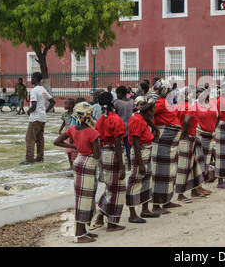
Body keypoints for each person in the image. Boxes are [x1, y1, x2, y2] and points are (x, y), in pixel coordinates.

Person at [53, 102, 101, 243]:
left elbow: (57, 141)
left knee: (81, 197)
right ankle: (79, 234)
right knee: (86, 199)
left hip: (78, 161)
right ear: (89, 115)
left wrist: (73, 146)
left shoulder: (73, 129)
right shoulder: (93, 132)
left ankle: (84, 231)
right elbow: (97, 154)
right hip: (88, 163)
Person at [93, 91, 127, 232]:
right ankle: (112, 223)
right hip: (114, 154)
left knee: (109, 187)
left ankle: (101, 215)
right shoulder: (115, 119)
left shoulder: (101, 119)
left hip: (104, 154)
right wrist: (122, 167)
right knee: (117, 189)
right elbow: (118, 144)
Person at [126, 95, 160, 223]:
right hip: (140, 152)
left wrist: (156, 129)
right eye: (152, 109)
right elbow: (135, 142)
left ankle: (145, 209)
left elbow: (148, 119)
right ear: (147, 109)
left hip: (146, 150)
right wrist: (140, 164)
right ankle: (132, 213)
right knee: (135, 181)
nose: (153, 111)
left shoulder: (142, 117)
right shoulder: (136, 120)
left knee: (146, 180)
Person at [151, 78, 182, 214]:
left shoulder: (164, 102)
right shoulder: (157, 102)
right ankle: (157, 205)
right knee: (161, 172)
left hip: (169, 141)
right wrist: (156, 130)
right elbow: (148, 115)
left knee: (169, 171)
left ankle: (166, 200)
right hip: (164, 140)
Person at [176, 87, 207, 203]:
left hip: (187, 137)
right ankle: (180, 194)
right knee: (186, 167)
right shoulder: (189, 107)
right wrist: (184, 132)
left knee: (193, 166)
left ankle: (193, 191)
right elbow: (187, 120)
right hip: (188, 137)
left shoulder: (177, 107)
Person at [20, 72, 56, 165]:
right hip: (42, 117)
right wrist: (45, 111)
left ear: (35, 79)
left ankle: (29, 159)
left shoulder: (34, 90)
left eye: (31, 78)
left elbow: (34, 105)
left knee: (30, 138)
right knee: (40, 138)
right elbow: (52, 101)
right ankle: (40, 158)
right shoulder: (43, 89)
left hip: (35, 117)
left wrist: (28, 111)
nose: (31, 79)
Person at [195, 85, 219, 188]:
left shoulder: (213, 103)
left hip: (210, 135)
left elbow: (219, 116)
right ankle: (198, 184)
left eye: (200, 91)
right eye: (197, 92)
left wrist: (214, 127)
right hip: (200, 134)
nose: (198, 94)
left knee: (207, 159)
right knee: (199, 159)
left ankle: (202, 180)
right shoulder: (195, 105)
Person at [114, 85, 135, 171]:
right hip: (129, 126)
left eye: (117, 93)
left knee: (119, 146)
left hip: (120, 127)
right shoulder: (132, 101)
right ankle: (129, 165)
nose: (116, 95)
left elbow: (114, 113)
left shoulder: (117, 103)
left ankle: (120, 164)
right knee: (128, 147)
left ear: (120, 93)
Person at [58, 98, 78, 174]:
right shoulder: (65, 114)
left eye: (66, 104)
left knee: (74, 151)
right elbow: (64, 122)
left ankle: (75, 165)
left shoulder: (75, 114)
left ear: (72, 105)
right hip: (67, 135)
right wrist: (60, 130)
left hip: (74, 135)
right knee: (68, 151)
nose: (65, 105)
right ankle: (71, 165)